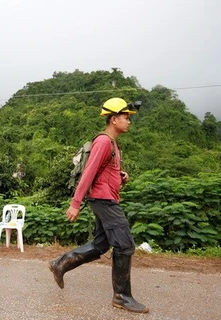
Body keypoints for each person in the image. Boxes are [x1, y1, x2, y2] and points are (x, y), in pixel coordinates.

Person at [48, 98, 149, 313]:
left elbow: (105, 173)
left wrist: (121, 177)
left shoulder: (113, 143)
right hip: (103, 201)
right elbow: (89, 173)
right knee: (124, 245)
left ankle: (61, 264)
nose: (129, 121)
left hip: (105, 198)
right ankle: (121, 296)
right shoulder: (103, 142)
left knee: (101, 245)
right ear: (114, 119)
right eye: (125, 117)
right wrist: (75, 203)